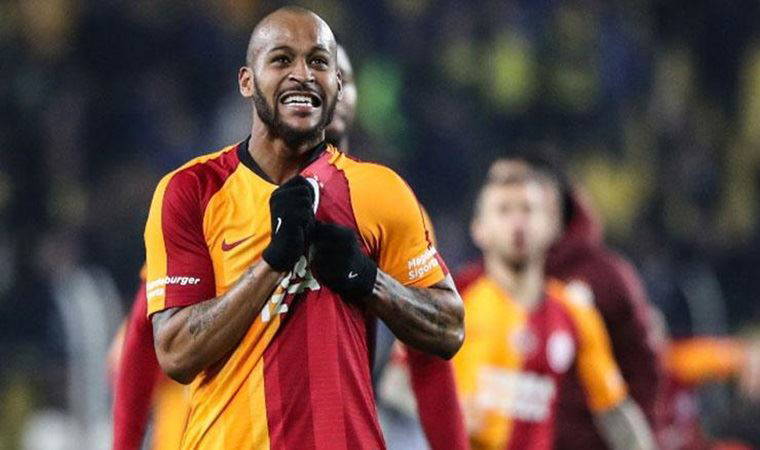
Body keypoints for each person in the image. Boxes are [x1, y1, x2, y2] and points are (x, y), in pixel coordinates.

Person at [144, 7, 464, 449]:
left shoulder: (380, 191)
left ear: (337, 85)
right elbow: (176, 353)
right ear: (247, 81)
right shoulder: (192, 190)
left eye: (319, 62)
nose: (303, 75)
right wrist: (273, 263)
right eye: (281, 60)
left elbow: (449, 329)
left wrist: (366, 278)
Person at [456, 154, 664, 449]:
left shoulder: (575, 312)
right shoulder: (457, 299)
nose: (517, 223)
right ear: (479, 229)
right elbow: (400, 394)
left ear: (551, 225)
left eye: (528, 210)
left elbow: (616, 412)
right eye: (504, 210)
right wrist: (444, 415)